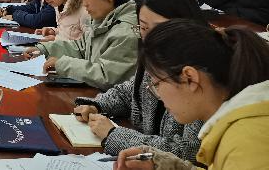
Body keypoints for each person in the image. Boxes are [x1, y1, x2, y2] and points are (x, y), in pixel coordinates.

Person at [73, 0, 207, 161]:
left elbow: (190, 153)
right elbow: (129, 92)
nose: (149, 38)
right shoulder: (154, 58)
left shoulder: (201, 75)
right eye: (143, 28)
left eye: (159, 29)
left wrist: (114, 134)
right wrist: (98, 105)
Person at [115, 20, 269, 170]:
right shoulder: (238, 126)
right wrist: (163, 165)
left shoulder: (246, 144)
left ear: (189, 78)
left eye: (157, 84)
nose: (158, 95)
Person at [27, 0, 139, 89]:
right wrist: (45, 49)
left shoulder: (125, 32)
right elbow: (80, 47)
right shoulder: (101, 21)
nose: (84, 4)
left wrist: (63, 64)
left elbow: (107, 76)